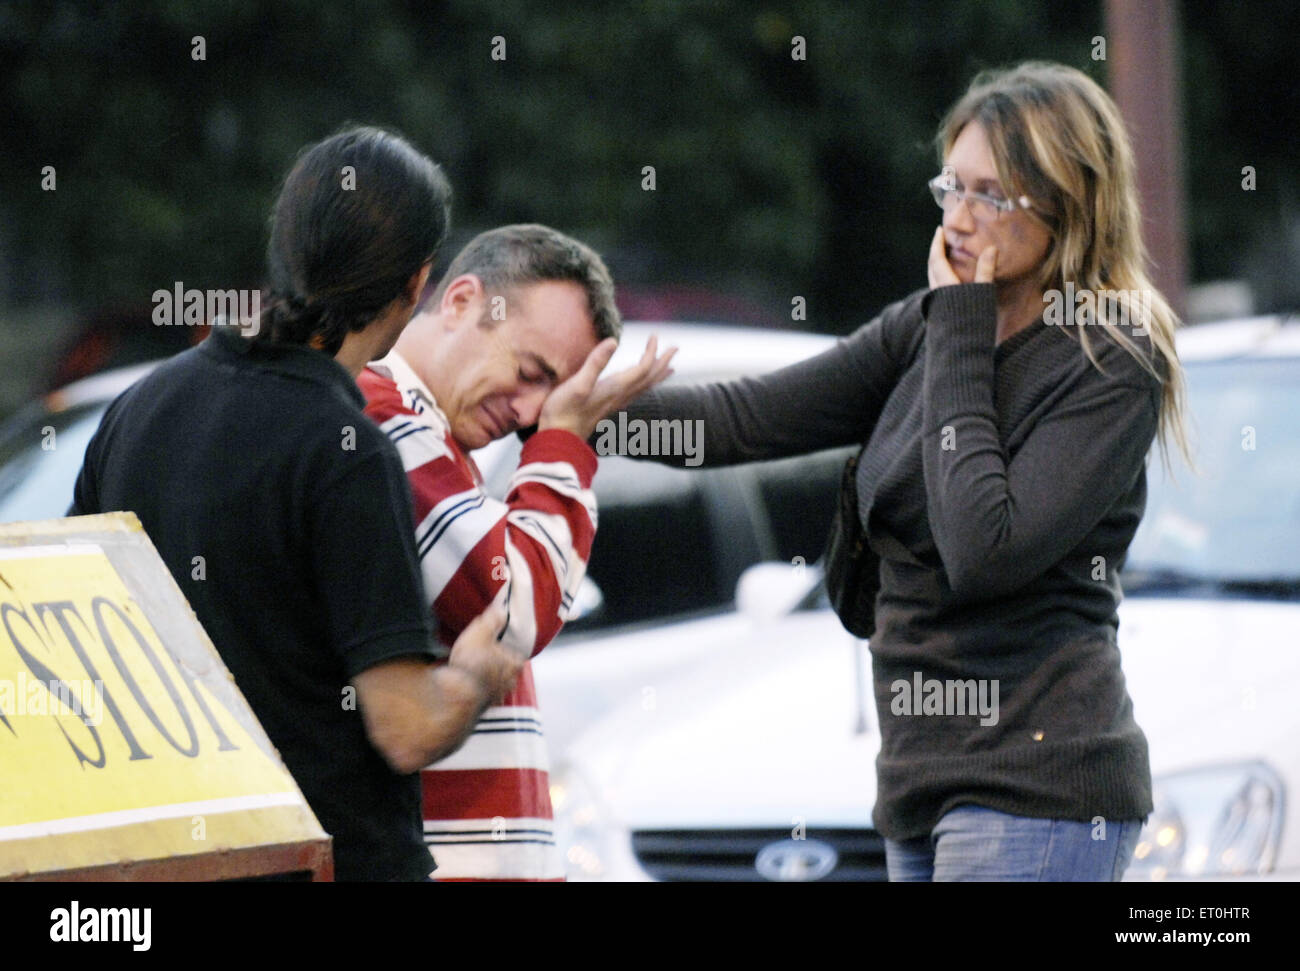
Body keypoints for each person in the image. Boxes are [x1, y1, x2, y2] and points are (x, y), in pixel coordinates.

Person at [612, 62, 1191, 881]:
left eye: (989, 195)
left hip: (1038, 786)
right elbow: (742, 419)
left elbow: (982, 547)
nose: (958, 217)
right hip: (919, 784)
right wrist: (566, 414)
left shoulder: (1108, 359)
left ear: (1067, 202)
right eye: (950, 187)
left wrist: (961, 327)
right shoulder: (922, 328)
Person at [68, 127, 525, 882]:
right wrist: (475, 673)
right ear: (418, 283)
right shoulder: (349, 452)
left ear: (283, 246)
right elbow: (407, 726)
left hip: (161, 868)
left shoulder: (136, 408)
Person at [359, 224, 674, 880]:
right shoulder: (384, 420)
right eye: (530, 372)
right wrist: (564, 441)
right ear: (460, 300)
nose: (529, 409)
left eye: (551, 395)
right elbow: (514, 606)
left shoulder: (438, 442)